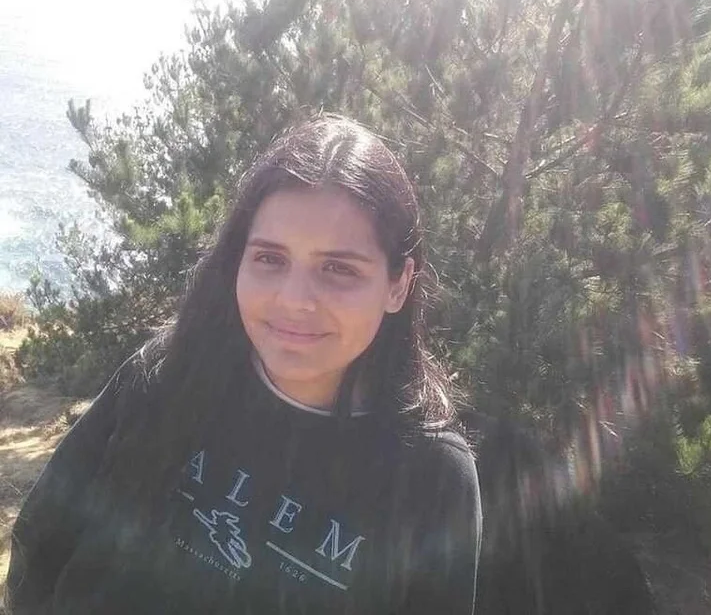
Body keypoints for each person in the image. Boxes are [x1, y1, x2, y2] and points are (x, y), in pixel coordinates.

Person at [6, 114, 482, 615]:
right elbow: (42, 540)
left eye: (338, 268)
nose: (293, 300)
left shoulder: (432, 477)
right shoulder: (169, 373)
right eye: (270, 259)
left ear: (399, 285)